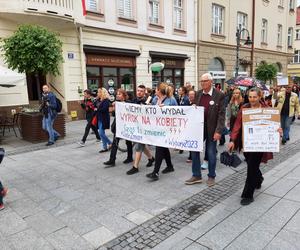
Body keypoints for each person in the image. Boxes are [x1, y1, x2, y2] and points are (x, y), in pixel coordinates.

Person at [228, 88, 282, 205]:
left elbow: (274, 125)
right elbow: (237, 125)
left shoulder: (266, 109)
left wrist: (278, 130)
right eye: (250, 97)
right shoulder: (244, 108)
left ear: (259, 96)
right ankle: (259, 179)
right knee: (251, 163)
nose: (252, 99)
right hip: (247, 143)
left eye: (254, 97)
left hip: (260, 145)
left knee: (251, 167)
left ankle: (248, 194)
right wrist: (232, 140)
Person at [185, 73, 225, 186]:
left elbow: (222, 115)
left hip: (212, 128)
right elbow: (193, 109)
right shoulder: (198, 94)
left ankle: (211, 176)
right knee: (194, 150)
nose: (202, 83)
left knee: (211, 152)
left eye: (205, 81)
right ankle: (196, 175)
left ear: (211, 82)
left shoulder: (219, 95)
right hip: (199, 128)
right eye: (201, 81)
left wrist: (218, 131)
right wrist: (192, 107)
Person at [146, 82, 177, 181]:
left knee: (160, 147)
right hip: (157, 128)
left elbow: (178, 113)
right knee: (163, 147)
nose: (155, 90)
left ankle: (155, 172)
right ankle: (170, 166)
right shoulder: (155, 99)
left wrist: (165, 110)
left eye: (156, 89)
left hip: (167, 128)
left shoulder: (171, 100)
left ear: (159, 90)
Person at [126, 85, 155, 175]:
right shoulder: (134, 100)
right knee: (142, 145)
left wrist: (149, 107)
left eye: (141, 91)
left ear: (144, 92)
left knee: (138, 146)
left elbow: (153, 113)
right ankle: (151, 158)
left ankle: (135, 167)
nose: (139, 92)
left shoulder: (148, 100)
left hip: (144, 128)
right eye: (138, 90)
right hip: (136, 127)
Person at [103, 89, 133, 167]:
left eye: (119, 94)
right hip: (118, 126)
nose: (117, 95)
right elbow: (113, 115)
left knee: (128, 142)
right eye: (117, 94)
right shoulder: (116, 103)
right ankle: (112, 160)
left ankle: (130, 157)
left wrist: (120, 105)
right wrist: (114, 108)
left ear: (124, 95)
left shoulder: (128, 103)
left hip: (126, 126)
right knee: (115, 143)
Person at [95, 88, 112, 153]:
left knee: (101, 133)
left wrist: (97, 109)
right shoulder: (99, 100)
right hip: (99, 118)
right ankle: (104, 148)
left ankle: (110, 143)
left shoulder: (106, 100)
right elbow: (94, 106)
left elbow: (104, 109)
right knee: (102, 133)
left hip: (104, 118)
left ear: (102, 93)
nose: (97, 93)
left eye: (99, 92)